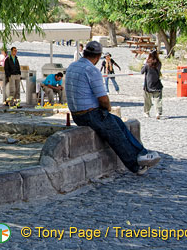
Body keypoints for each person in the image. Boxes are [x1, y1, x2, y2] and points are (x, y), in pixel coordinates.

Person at [65, 41, 161, 175]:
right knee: (116, 135)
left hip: (76, 114)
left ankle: (142, 153)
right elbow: (103, 99)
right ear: (98, 57)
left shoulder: (72, 66)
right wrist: (107, 108)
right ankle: (136, 165)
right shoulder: (91, 70)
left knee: (118, 122)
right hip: (90, 114)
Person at [141, 50, 164, 119]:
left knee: (147, 99)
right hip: (156, 83)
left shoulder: (147, 64)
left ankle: (146, 112)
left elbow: (142, 71)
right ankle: (158, 112)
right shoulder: (159, 63)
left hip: (148, 84)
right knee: (157, 99)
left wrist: (144, 63)